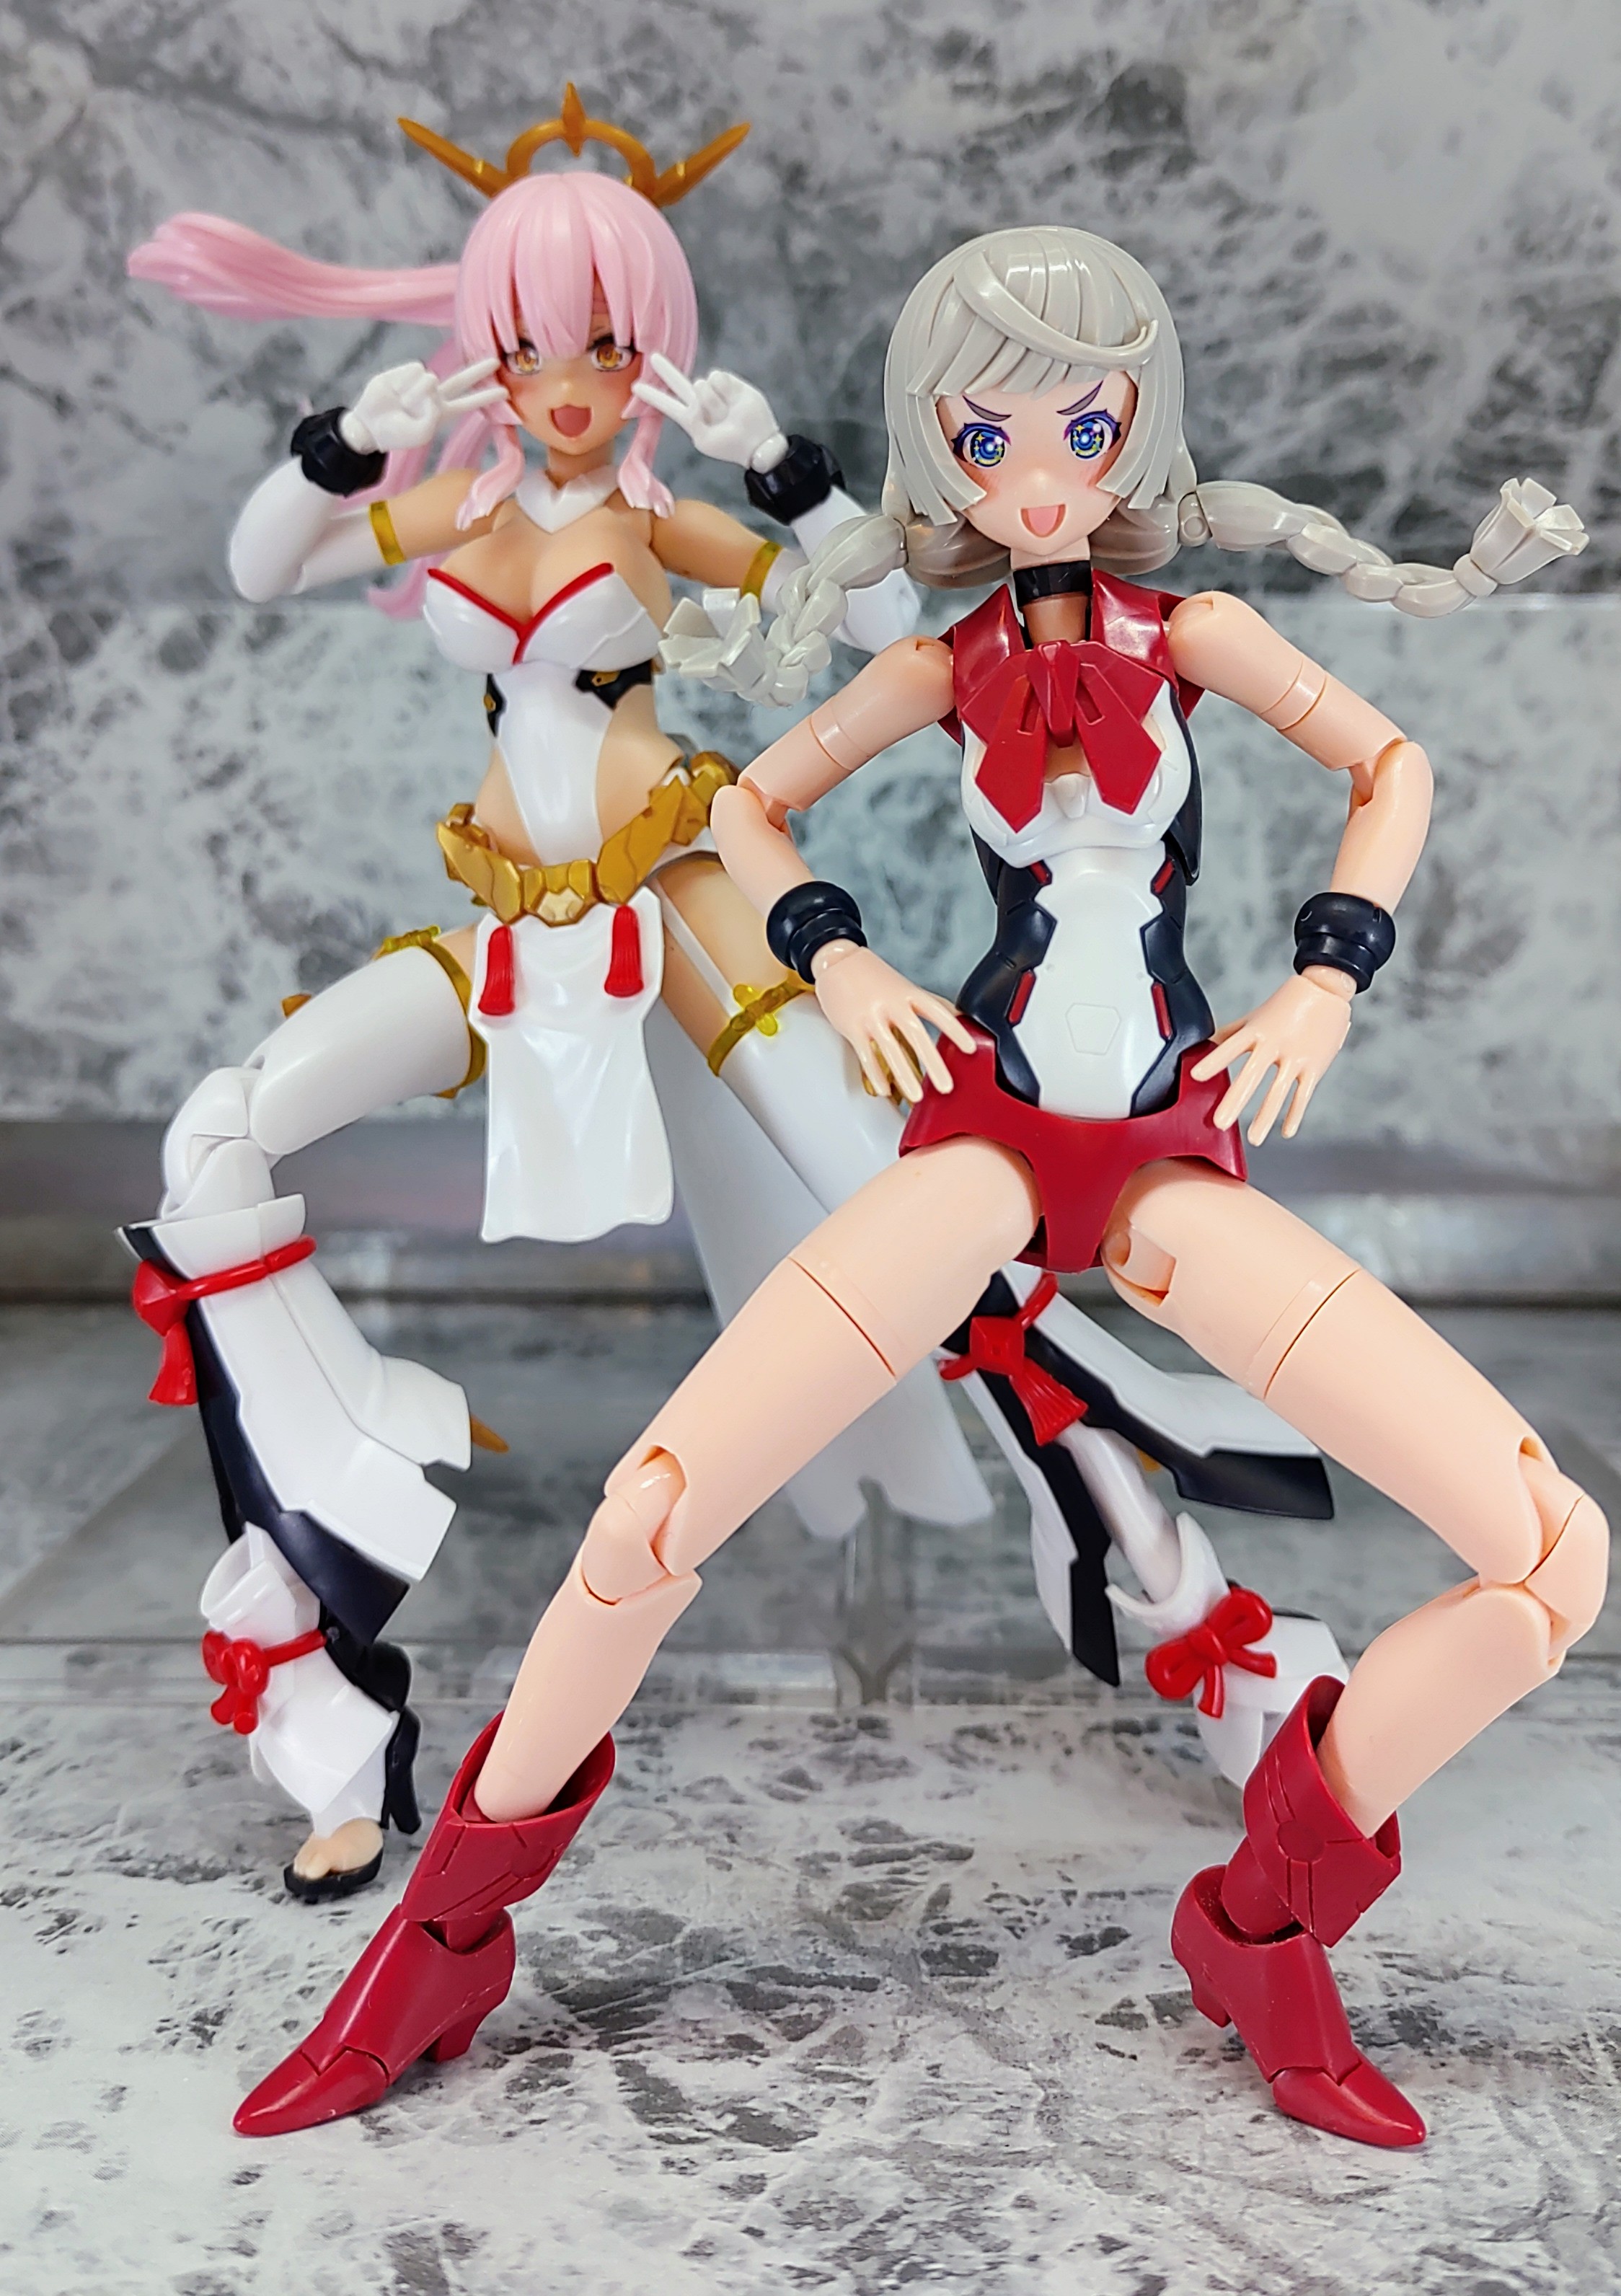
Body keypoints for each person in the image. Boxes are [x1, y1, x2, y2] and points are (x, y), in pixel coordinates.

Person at [230, 224, 1600, 2146]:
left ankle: (1266, 1917)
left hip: (1161, 1156)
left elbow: (1392, 767)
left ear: (1138, 432)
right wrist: (842, 964)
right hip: (984, 1141)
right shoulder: (944, 664)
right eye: (984, 437)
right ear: (939, 451)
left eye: (1082, 428)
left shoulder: (1197, 637)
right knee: (653, 1509)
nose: (1035, 477)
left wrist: (1324, 978)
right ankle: (440, 1942)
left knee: (1551, 1556)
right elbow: (745, 802)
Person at [125, 123, 1333, 1911]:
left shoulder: (654, 517)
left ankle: (1198, 1623)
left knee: (931, 1232)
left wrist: (784, 471)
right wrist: (336, 451)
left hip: (680, 902)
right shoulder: (458, 511)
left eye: (606, 343)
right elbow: (256, 565)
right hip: (509, 930)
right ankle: (312, 1680)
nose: (567, 381)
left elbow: (869, 614)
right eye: (529, 342)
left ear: (653, 356)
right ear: (483, 348)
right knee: (217, 1142)